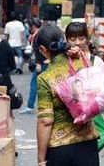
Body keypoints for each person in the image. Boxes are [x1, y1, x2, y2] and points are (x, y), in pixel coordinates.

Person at [36, 25, 99, 166]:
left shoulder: (45, 78)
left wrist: (41, 159)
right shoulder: (82, 63)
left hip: (60, 149)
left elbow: (45, 121)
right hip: (88, 143)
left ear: (43, 50)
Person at [20, 17, 45, 114]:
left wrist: (39, 63)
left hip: (41, 63)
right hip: (43, 63)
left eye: (30, 27)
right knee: (40, 85)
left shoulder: (38, 36)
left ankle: (31, 106)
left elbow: (40, 51)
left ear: (34, 26)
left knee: (35, 84)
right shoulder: (39, 34)